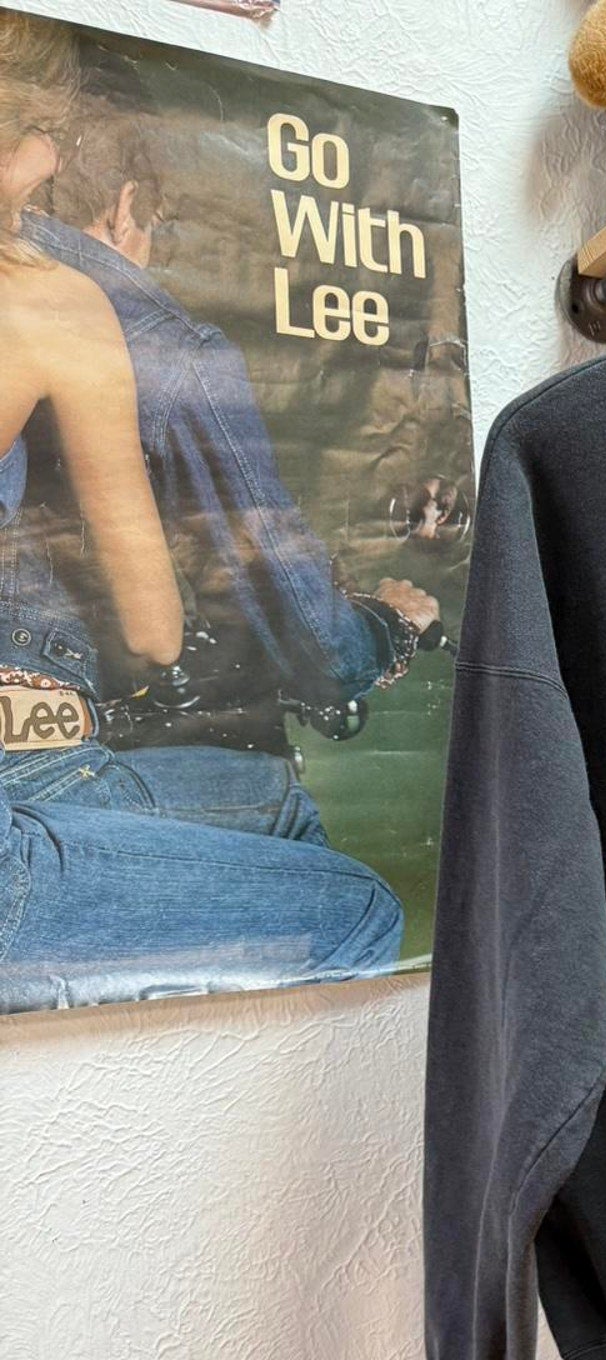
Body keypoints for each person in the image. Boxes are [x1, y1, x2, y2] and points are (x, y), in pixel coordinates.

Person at [0, 13, 401, 1010]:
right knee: (362, 909)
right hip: (25, 788)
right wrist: (388, 627)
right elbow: (160, 631)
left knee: (275, 803)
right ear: (128, 204)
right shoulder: (75, 311)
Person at [22, 50, 440, 731]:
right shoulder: (172, 350)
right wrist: (390, 625)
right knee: (280, 796)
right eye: (159, 225)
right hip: (89, 723)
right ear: (127, 206)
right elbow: (317, 650)